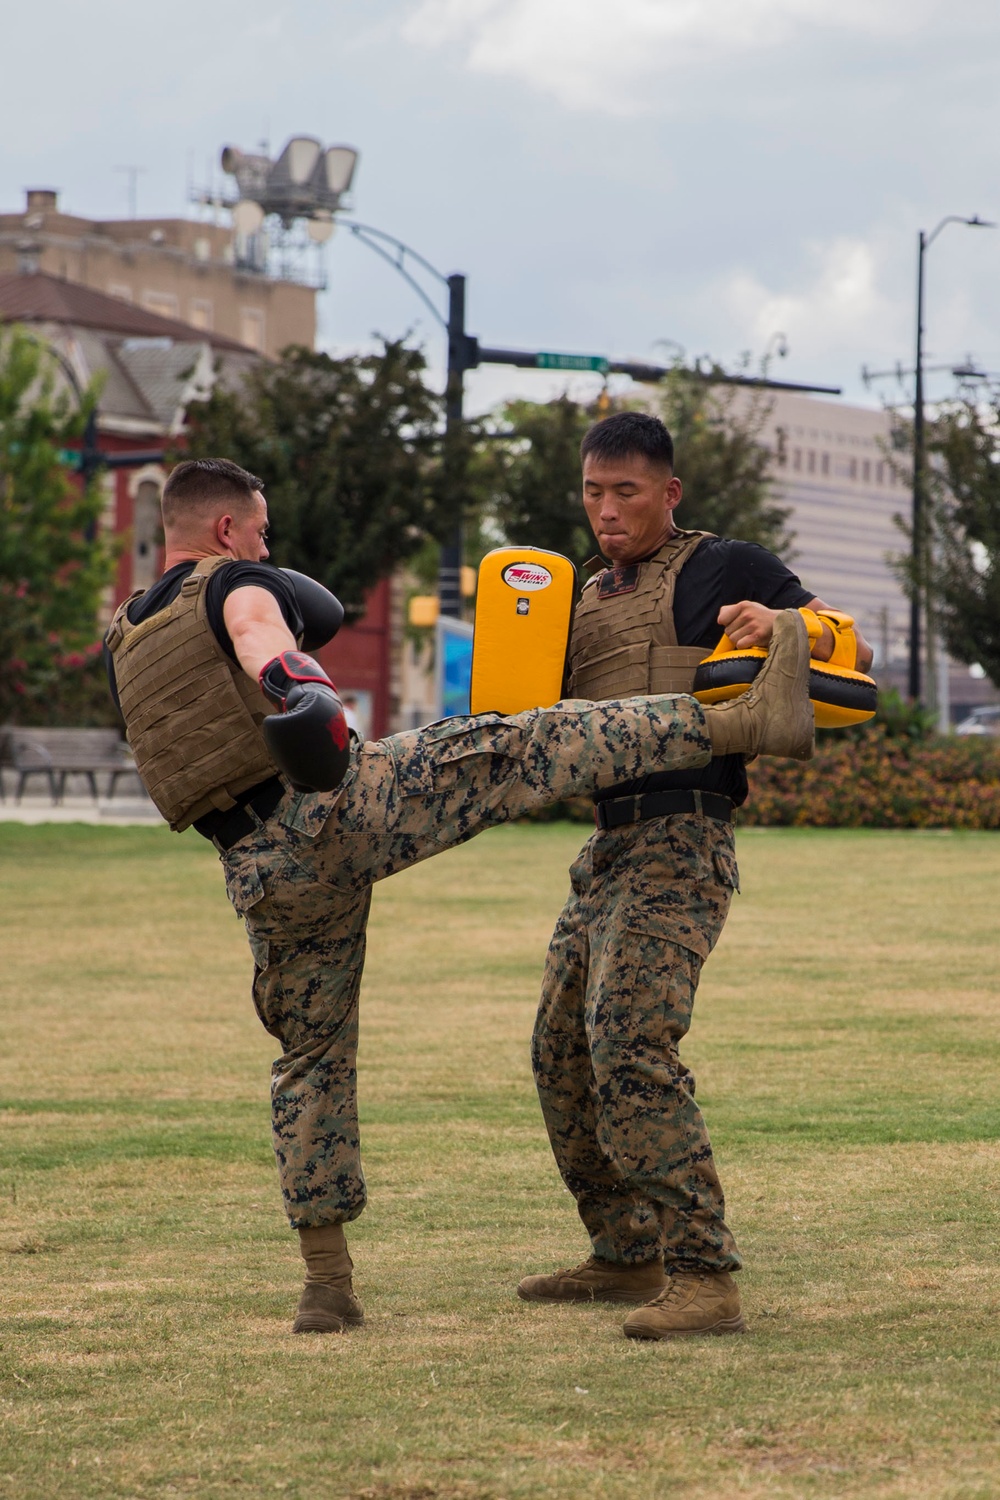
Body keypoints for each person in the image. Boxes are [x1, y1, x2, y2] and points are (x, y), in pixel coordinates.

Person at [106, 455, 816, 1336]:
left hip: (258, 869)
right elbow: (260, 634)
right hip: (331, 807)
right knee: (515, 745)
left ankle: (325, 1283)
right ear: (224, 531)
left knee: (309, 1061)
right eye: (258, 529)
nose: (264, 546)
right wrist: (302, 690)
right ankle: (743, 718)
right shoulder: (233, 583)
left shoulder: (126, 636)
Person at [518, 411, 873, 1341]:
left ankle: (705, 1274)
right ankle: (627, 1250)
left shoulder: (729, 566)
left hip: (685, 839)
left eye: (627, 492)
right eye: (594, 492)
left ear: (668, 493)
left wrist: (788, 621)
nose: (607, 511)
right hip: (604, 850)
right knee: (558, 1053)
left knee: (629, 1043)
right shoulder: (579, 598)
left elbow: (854, 647)